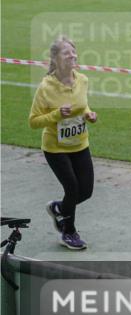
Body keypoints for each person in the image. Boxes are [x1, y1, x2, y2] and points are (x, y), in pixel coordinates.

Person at [29, 36, 97, 250]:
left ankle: (59, 208)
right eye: (67, 53)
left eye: (74, 52)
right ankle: (69, 232)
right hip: (55, 148)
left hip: (80, 144)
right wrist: (56, 115)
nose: (73, 56)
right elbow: (33, 121)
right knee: (73, 188)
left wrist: (88, 114)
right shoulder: (46, 87)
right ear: (55, 59)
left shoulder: (83, 80)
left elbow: (82, 106)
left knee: (86, 191)